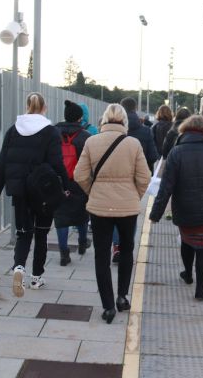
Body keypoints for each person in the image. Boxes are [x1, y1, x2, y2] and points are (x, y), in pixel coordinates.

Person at [74, 103, 150, 324]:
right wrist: (134, 195)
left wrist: (93, 191)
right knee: (126, 250)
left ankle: (108, 307)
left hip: (99, 208)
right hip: (128, 208)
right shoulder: (133, 144)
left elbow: (79, 175)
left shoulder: (92, 141)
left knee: (101, 256)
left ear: (104, 119)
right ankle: (122, 297)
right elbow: (145, 177)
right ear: (124, 121)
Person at [0, 92, 69, 298]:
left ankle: (18, 268)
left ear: (27, 106)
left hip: (20, 191)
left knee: (23, 233)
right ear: (45, 108)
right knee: (41, 234)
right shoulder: (51, 131)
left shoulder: (13, 130)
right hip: (43, 191)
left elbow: (2, 163)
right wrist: (67, 185)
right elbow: (57, 162)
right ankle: (36, 278)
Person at [149, 115, 203, 301]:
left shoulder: (176, 152)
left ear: (184, 131)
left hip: (185, 208)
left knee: (188, 241)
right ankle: (200, 289)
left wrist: (156, 214)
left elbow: (166, 187)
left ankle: (188, 273)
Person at [110, 97, 159, 263]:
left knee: (115, 213)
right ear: (136, 108)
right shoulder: (145, 131)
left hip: (114, 177)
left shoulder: (110, 129)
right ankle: (126, 247)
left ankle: (116, 246)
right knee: (131, 213)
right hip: (135, 180)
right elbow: (153, 156)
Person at [53, 100, 92, 266]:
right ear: (79, 118)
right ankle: (82, 242)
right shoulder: (85, 137)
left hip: (58, 181)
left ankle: (64, 252)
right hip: (79, 181)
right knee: (81, 215)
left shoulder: (53, 133)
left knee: (61, 217)